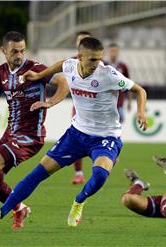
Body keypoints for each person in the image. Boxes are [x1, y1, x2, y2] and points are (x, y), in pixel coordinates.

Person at [0, 37, 148, 227]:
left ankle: (79, 201)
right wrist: (38, 75)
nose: (97, 63)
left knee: (100, 174)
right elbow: (60, 66)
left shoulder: (109, 74)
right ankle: (0, 212)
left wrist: (140, 112)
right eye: (92, 59)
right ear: (80, 56)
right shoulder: (70, 66)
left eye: (100, 58)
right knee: (38, 174)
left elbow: (140, 90)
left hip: (105, 137)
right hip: (76, 135)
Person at [0, 31, 69, 228]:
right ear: (4, 51)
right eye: (14, 51)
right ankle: (20, 208)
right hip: (11, 132)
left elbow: (63, 82)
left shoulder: (35, 68)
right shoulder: (0, 73)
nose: (19, 55)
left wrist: (50, 102)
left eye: (22, 51)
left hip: (31, 135)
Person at [70, 31, 92, 185]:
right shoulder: (70, 62)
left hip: (98, 109)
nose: (82, 43)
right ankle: (79, 173)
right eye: (80, 40)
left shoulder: (99, 62)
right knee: (76, 140)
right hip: (78, 108)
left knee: (97, 139)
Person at [107, 43, 132, 123]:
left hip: (119, 102)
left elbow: (129, 84)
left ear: (118, 52)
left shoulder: (123, 66)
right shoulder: (104, 65)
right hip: (105, 102)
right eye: (111, 51)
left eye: (115, 51)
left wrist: (129, 101)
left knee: (119, 123)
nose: (113, 53)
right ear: (108, 52)